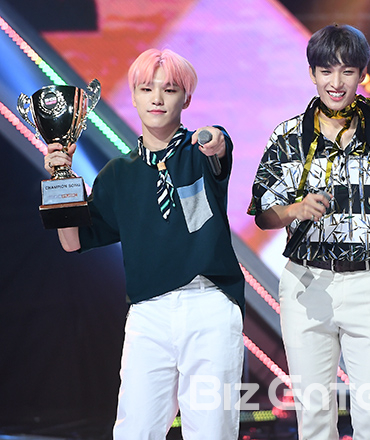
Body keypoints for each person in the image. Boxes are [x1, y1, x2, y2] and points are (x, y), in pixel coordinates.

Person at [43, 48, 245, 439]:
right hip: (148, 314)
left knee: (212, 429)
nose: (157, 98)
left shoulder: (199, 153)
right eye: (146, 89)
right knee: (134, 430)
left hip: (209, 304)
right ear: (133, 97)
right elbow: (72, 241)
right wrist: (59, 180)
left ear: (186, 99)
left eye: (169, 90)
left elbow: (218, 144)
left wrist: (215, 139)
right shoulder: (117, 174)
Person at [249, 24, 370, 440]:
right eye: (326, 71)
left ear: (362, 74)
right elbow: (263, 214)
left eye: (347, 71)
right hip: (307, 284)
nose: (336, 82)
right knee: (314, 417)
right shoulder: (288, 136)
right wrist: (294, 210)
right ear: (312, 74)